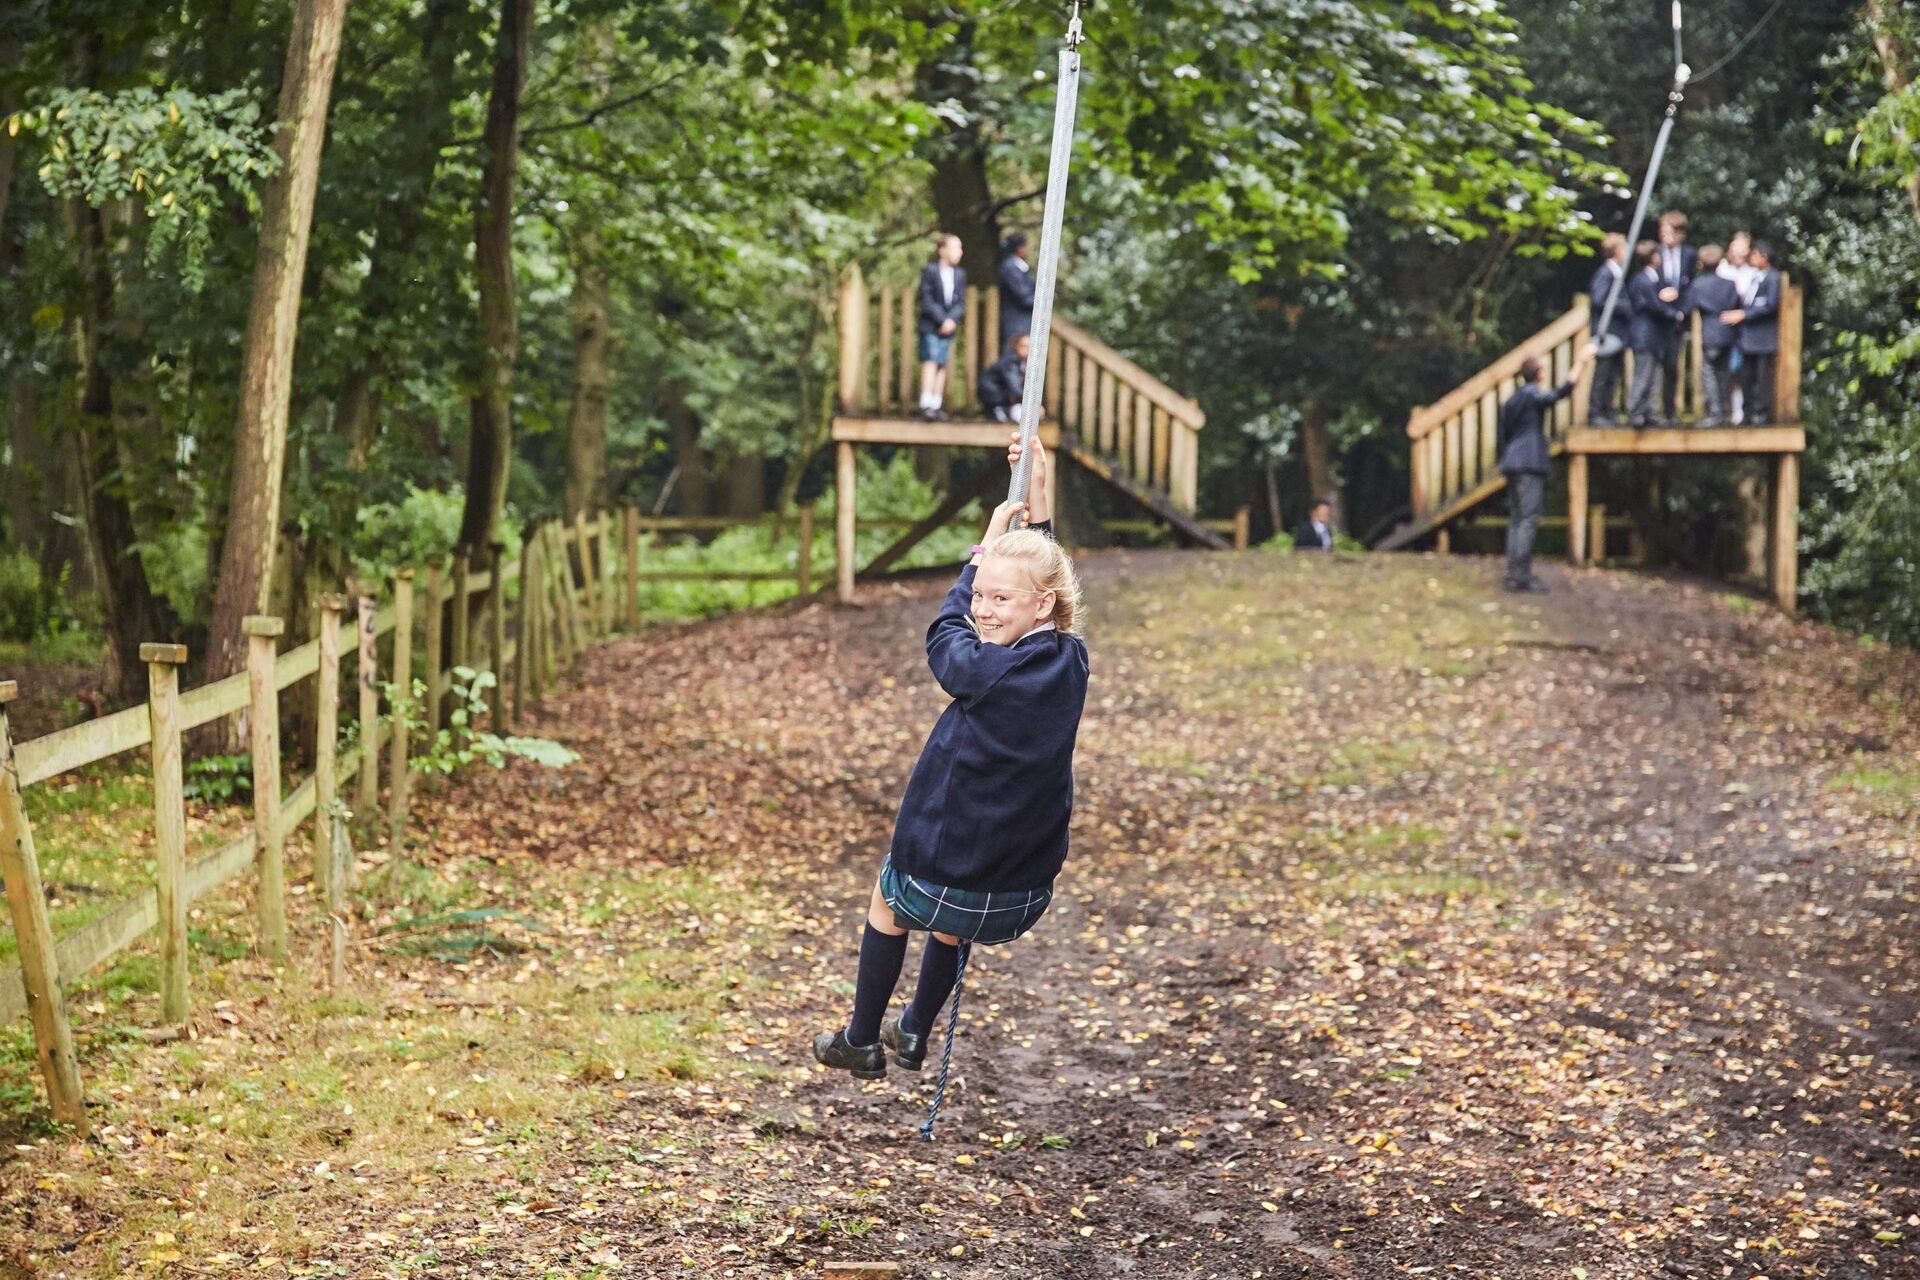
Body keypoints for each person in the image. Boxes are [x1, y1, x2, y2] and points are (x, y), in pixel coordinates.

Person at [813, 434, 1088, 1082]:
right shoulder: (1071, 658)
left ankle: (861, 1038)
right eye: (981, 596)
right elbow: (1044, 583)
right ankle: (912, 1031)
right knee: (948, 924)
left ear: (1039, 605)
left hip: (945, 880)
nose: (983, 609)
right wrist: (1035, 498)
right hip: (1019, 893)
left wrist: (975, 559)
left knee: (891, 901)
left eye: (999, 599)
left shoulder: (982, 667)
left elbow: (943, 636)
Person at [1497, 340, 1598, 593]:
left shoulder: (1511, 400)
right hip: (1528, 463)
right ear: (1539, 374)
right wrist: (1581, 363)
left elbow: (1504, 435)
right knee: (1528, 520)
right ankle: (1520, 577)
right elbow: (1559, 394)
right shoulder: (1533, 395)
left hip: (1512, 461)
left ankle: (1513, 573)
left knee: (1517, 520)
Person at [1626, 239, 1683, 427]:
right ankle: (1635, 411)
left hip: (1653, 336)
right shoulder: (1643, 280)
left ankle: (1649, 411)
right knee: (1643, 375)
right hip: (1645, 334)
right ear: (1653, 258)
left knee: (1653, 376)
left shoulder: (1648, 279)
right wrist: (1675, 314)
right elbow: (1654, 307)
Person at [1726, 240, 1781, 424]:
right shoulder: (1755, 277)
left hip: (1764, 339)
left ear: (1764, 257)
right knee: (1745, 376)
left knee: (1763, 378)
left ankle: (1765, 414)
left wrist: (1744, 314)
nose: (1751, 258)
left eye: (1754, 255)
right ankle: (1747, 413)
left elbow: (1770, 305)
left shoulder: (1773, 277)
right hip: (1748, 339)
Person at [1688, 244, 1742, 427]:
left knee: (1709, 372)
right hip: (1728, 332)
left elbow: (1688, 307)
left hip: (1710, 332)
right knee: (1724, 373)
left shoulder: (1698, 284)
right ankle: (1724, 410)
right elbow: (1738, 303)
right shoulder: (1730, 284)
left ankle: (1715, 412)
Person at [915, 234, 967, 421]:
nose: (959, 252)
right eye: (955, 247)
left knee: (942, 362)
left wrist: (951, 320)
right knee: (930, 360)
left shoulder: (960, 274)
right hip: (931, 324)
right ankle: (926, 402)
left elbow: (960, 302)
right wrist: (941, 319)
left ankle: (936, 403)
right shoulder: (930, 271)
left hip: (949, 326)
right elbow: (926, 299)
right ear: (942, 250)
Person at [1587, 233, 1632, 425]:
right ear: (1617, 251)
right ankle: (1596, 413)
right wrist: (1623, 306)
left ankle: (1609, 411)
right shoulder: (1606, 273)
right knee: (1603, 375)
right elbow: (1598, 299)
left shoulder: (1616, 273)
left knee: (1613, 375)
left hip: (1617, 333)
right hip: (1607, 333)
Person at [1654, 211, 1695, 421]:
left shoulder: (1689, 254)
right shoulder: (1655, 253)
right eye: (1662, 230)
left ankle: (1670, 412)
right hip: (1657, 318)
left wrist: (1682, 311)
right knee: (1653, 364)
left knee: (1672, 366)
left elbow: (1692, 287)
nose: (1664, 235)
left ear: (1679, 233)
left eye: (1668, 231)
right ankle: (1653, 411)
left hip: (1678, 320)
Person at [996, 232, 1035, 352]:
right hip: (1015, 323)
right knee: (1013, 357)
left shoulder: (1018, 267)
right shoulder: (1010, 267)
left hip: (1021, 321)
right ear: (1019, 248)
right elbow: (1023, 295)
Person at [978, 332, 1029, 422]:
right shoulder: (1011, 362)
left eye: (1030, 347)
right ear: (1016, 346)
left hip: (1003, 397)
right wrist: (1031, 404)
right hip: (993, 396)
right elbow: (1014, 386)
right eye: (1024, 346)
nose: (1027, 350)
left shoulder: (1023, 363)